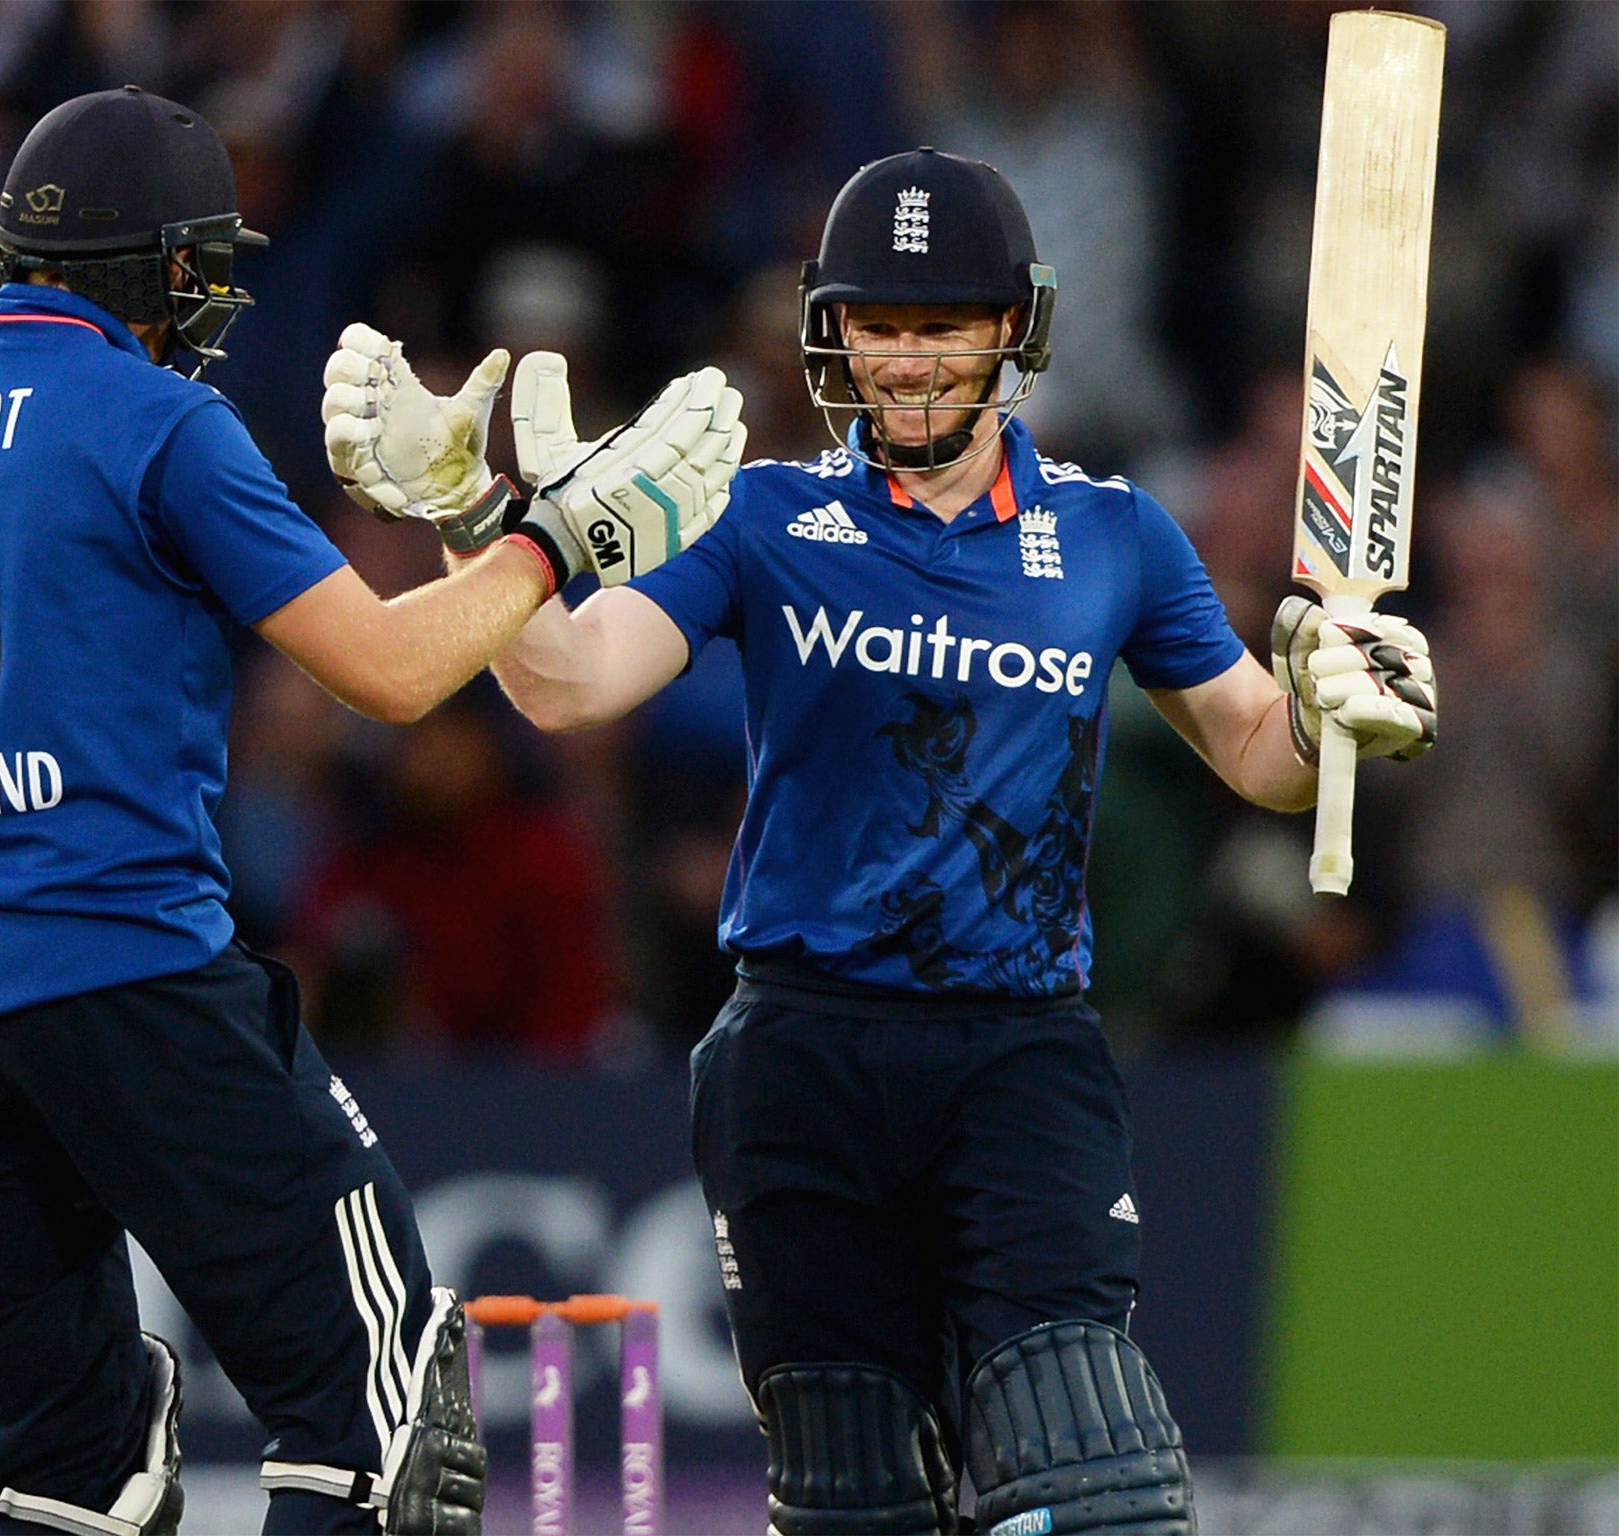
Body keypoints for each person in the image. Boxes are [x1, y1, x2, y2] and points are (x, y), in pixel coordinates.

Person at [322, 149, 1437, 1535]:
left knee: (1099, 1491)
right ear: (830, 329)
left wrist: (1338, 718)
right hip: (804, 1058)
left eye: (942, 327)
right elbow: (566, 681)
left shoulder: (1115, 537)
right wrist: (470, 518)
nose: (906, 363)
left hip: (1018, 1055)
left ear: (1011, 330)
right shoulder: (764, 517)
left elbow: (1256, 747)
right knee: (854, 1508)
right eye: (878, 326)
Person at [0, 87, 739, 1536]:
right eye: (197, 263)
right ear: (148, 266)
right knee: (381, 1430)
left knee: (53, 1486)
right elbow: (388, 675)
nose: (207, 297)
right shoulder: (163, 422)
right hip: (134, 982)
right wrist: (554, 542)